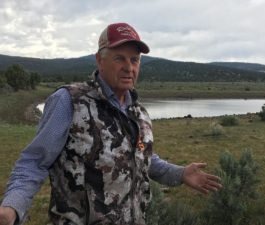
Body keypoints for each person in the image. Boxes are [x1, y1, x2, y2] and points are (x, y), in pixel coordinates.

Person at [0, 22, 222, 225]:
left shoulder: (139, 113)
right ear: (99, 60)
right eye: (119, 58)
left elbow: (142, 158)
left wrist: (180, 173)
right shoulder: (69, 102)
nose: (129, 67)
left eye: (134, 60)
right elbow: (34, 161)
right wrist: (12, 207)